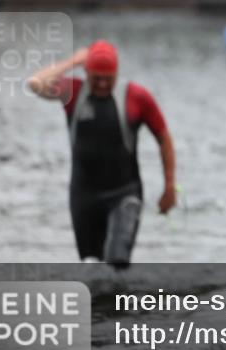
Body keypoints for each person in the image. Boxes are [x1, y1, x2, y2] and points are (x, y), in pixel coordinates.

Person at [27, 40, 176, 268]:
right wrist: (72, 61)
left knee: (117, 262)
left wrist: (169, 187)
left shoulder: (136, 97)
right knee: (92, 266)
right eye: (97, 78)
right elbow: (35, 83)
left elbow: (164, 139)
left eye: (109, 78)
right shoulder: (73, 92)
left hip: (125, 194)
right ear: (86, 72)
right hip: (84, 196)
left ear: (117, 73)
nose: (104, 84)